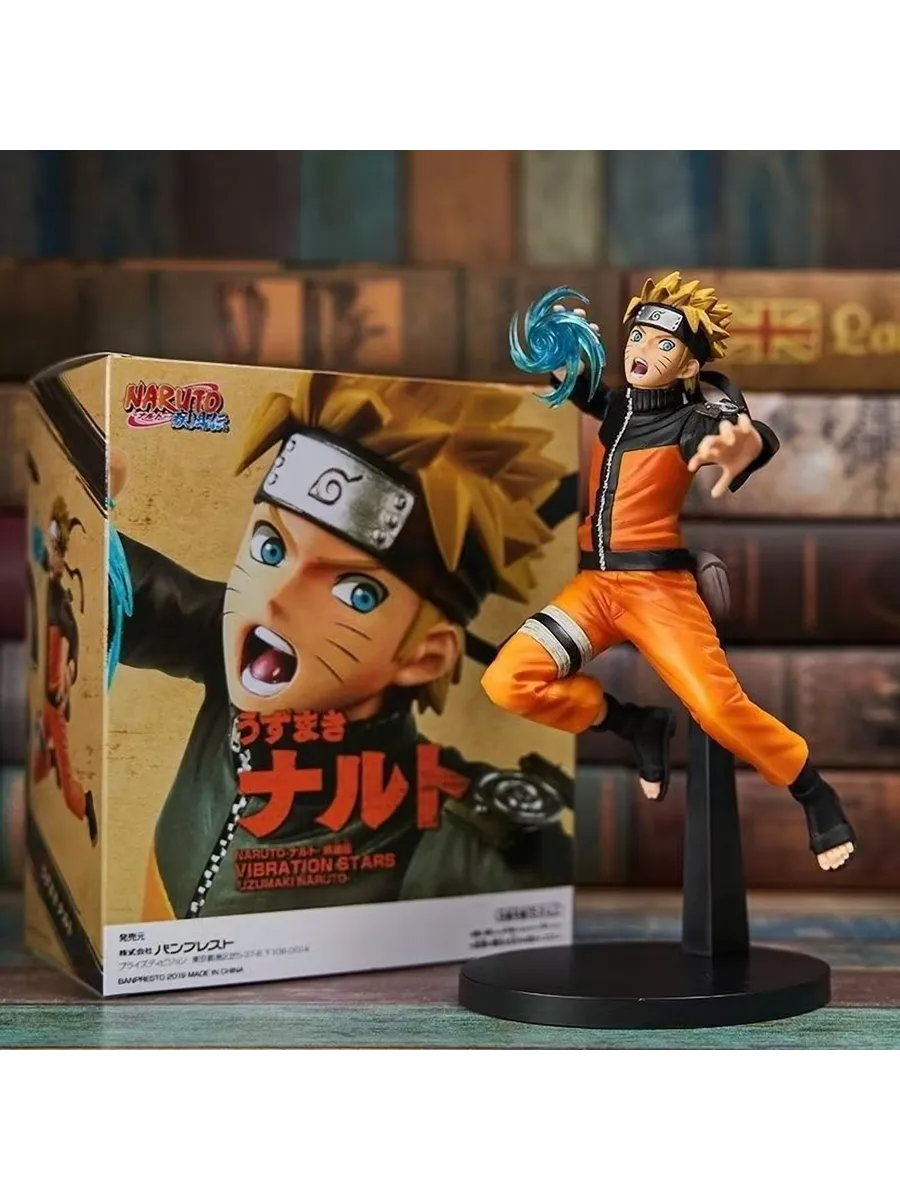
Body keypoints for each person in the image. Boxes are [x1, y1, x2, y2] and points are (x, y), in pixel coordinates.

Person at [111, 372, 574, 920]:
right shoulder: (237, 645)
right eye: (270, 546)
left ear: (425, 654)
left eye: (355, 592)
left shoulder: (458, 839)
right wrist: (82, 512)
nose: (276, 598)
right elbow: (128, 589)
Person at [483, 272, 856, 872]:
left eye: (663, 345)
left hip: (656, 590)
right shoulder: (617, 407)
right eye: (637, 337)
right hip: (594, 589)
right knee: (507, 681)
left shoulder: (690, 422)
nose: (642, 351)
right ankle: (633, 723)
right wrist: (557, 347)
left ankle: (811, 789)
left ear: (688, 365)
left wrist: (743, 447)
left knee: (717, 706)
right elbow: (574, 383)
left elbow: (751, 437)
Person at [32, 497, 98, 846]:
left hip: (54, 688)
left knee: (61, 755)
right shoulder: (48, 590)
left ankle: (82, 804)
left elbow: (69, 632)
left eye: (58, 552)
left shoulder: (58, 597)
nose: (55, 559)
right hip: (47, 685)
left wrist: (68, 667)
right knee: (41, 760)